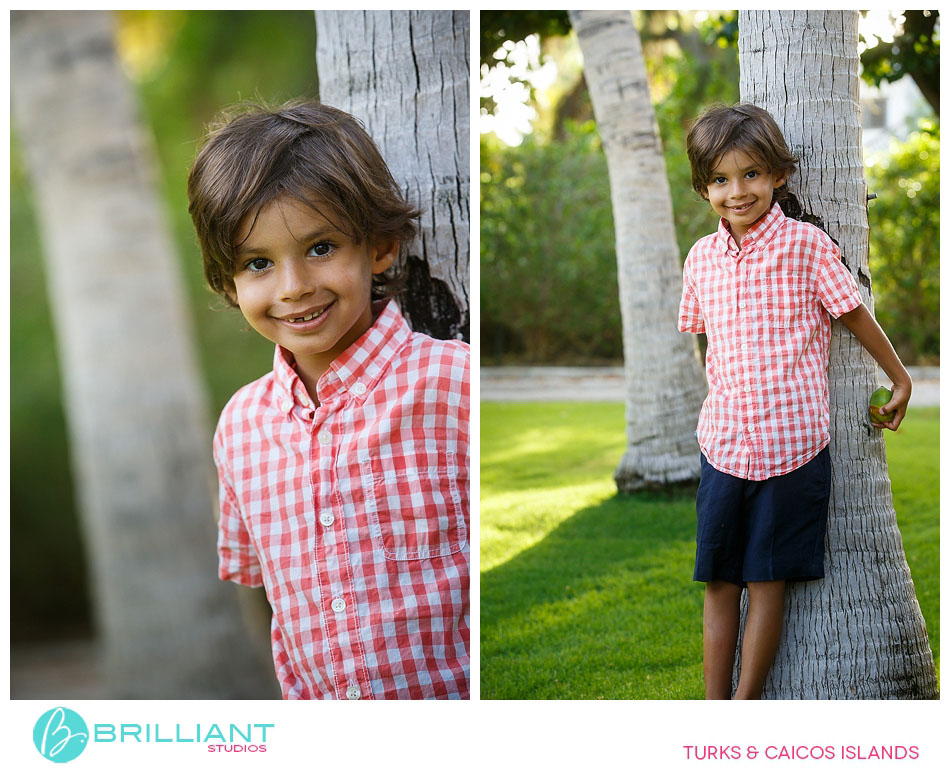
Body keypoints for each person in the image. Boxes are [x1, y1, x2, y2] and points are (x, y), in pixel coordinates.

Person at [186, 100, 470, 700]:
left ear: (380, 247)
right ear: (229, 284)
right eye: (258, 263)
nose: (293, 288)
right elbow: (268, 590)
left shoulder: (455, 387)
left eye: (320, 248)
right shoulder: (240, 428)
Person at [678, 103, 911, 699]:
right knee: (720, 582)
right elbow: (708, 338)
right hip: (724, 444)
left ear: (778, 175)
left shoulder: (806, 246)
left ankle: (746, 705)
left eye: (751, 174)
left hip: (794, 448)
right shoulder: (701, 259)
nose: (737, 191)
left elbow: (854, 314)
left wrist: (900, 375)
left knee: (768, 581)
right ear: (705, 187)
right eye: (721, 180)